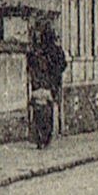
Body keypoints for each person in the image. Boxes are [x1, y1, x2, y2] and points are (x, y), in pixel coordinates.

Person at [27, 18, 66, 149]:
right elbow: (62, 65)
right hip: (50, 84)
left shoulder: (39, 50)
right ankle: (45, 137)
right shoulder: (54, 50)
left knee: (40, 113)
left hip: (40, 84)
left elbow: (30, 64)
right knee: (47, 111)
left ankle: (41, 138)